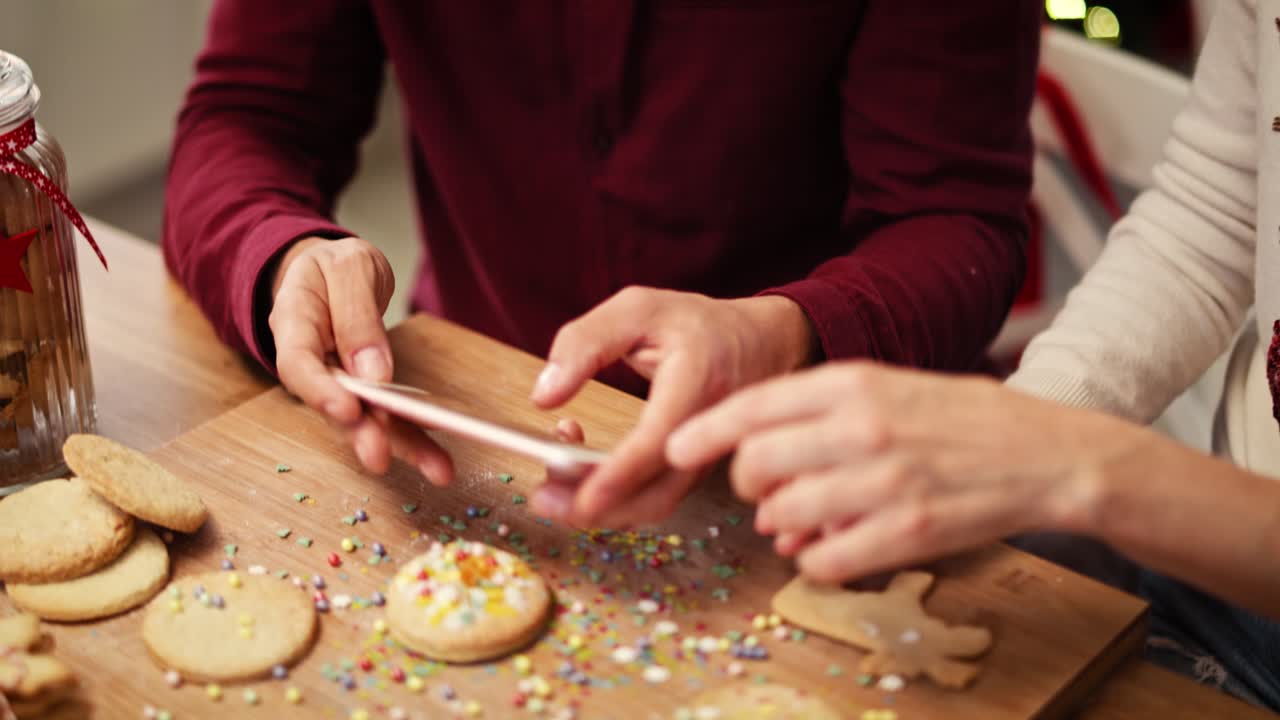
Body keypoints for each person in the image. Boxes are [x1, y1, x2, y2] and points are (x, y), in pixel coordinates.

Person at [163, 2, 1038, 529]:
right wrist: (282, 256)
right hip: (462, 413)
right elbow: (247, 116)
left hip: (829, 455)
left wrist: (787, 329)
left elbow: (957, 219)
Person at [667, 0, 1280, 709]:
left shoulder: (1114, 480)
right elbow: (1211, 217)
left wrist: (1094, 467)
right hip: (1209, 588)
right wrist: (1025, 432)